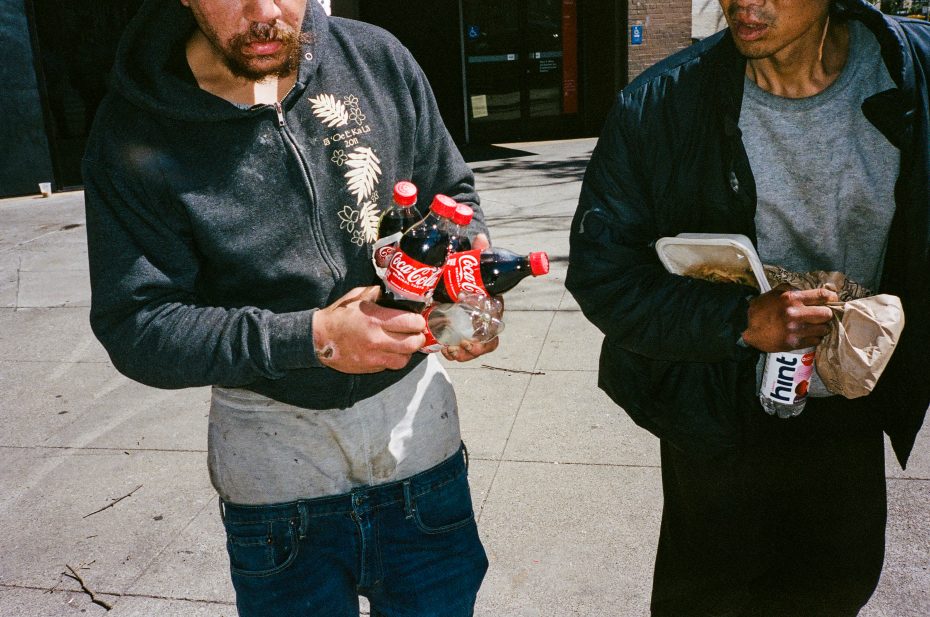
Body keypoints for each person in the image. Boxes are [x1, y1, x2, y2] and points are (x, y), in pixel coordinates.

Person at [82, 0, 497, 615]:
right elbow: (138, 324)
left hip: (422, 453)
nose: (265, 12)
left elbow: (451, 193)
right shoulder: (133, 129)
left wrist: (470, 280)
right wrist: (315, 338)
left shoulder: (377, 60)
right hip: (275, 473)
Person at [567, 0, 929, 615]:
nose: (744, 3)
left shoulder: (912, 73)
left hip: (849, 413)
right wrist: (737, 320)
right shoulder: (661, 105)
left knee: (833, 591)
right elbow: (604, 275)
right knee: (708, 601)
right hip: (714, 413)